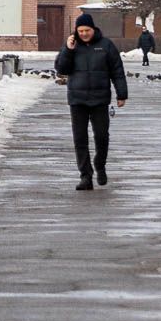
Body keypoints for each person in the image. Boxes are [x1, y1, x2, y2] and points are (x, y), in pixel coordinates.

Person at [54, 12, 128, 190]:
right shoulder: (72, 46)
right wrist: (68, 49)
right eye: (80, 31)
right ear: (76, 31)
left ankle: (100, 165)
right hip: (77, 99)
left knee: (102, 136)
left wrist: (121, 94)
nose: (84, 34)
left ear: (93, 29)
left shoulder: (106, 45)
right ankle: (85, 176)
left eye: (87, 30)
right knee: (80, 139)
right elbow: (61, 68)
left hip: (99, 99)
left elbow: (117, 71)